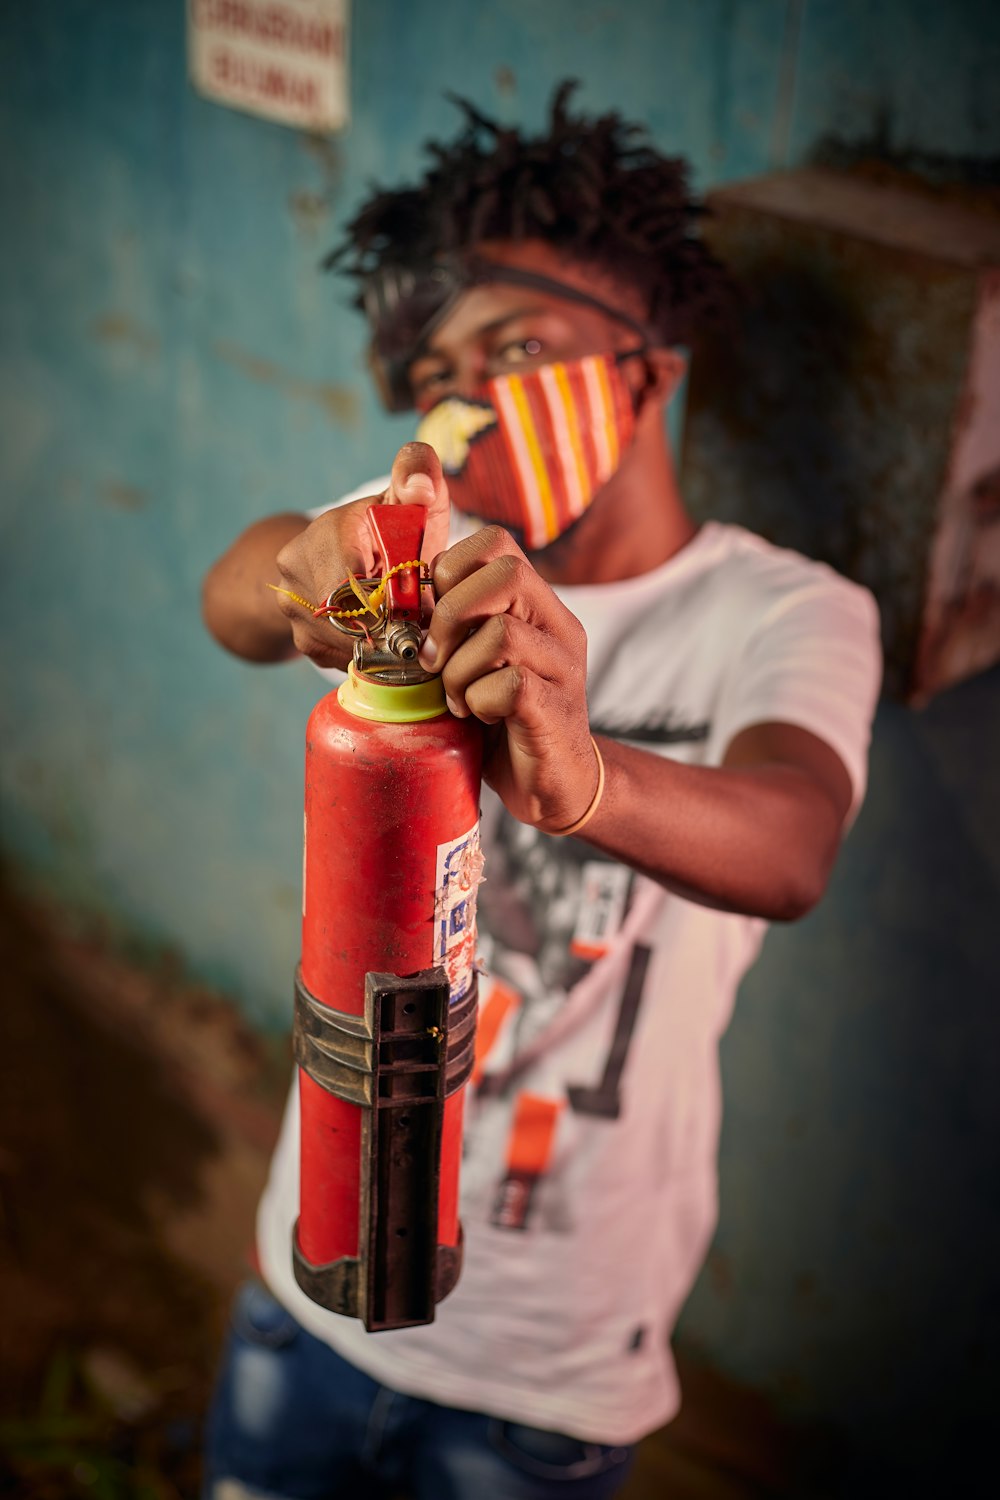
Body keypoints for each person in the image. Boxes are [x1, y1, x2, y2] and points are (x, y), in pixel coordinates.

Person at [200, 83, 881, 1500]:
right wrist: (304, 573)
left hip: (547, 1376)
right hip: (308, 1282)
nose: (475, 401)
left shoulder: (781, 615)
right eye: (442, 372)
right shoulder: (422, 552)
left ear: (653, 367)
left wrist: (583, 776)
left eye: (522, 345)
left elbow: (792, 842)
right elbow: (239, 589)